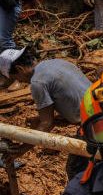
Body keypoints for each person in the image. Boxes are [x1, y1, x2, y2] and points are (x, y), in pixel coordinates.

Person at [0, 46, 92, 178]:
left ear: (20, 69)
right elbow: (72, 98)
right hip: (99, 107)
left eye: (16, 78)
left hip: (93, 123)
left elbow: (47, 123)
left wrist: (22, 149)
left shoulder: (37, 82)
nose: (19, 82)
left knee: (75, 170)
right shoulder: (55, 62)